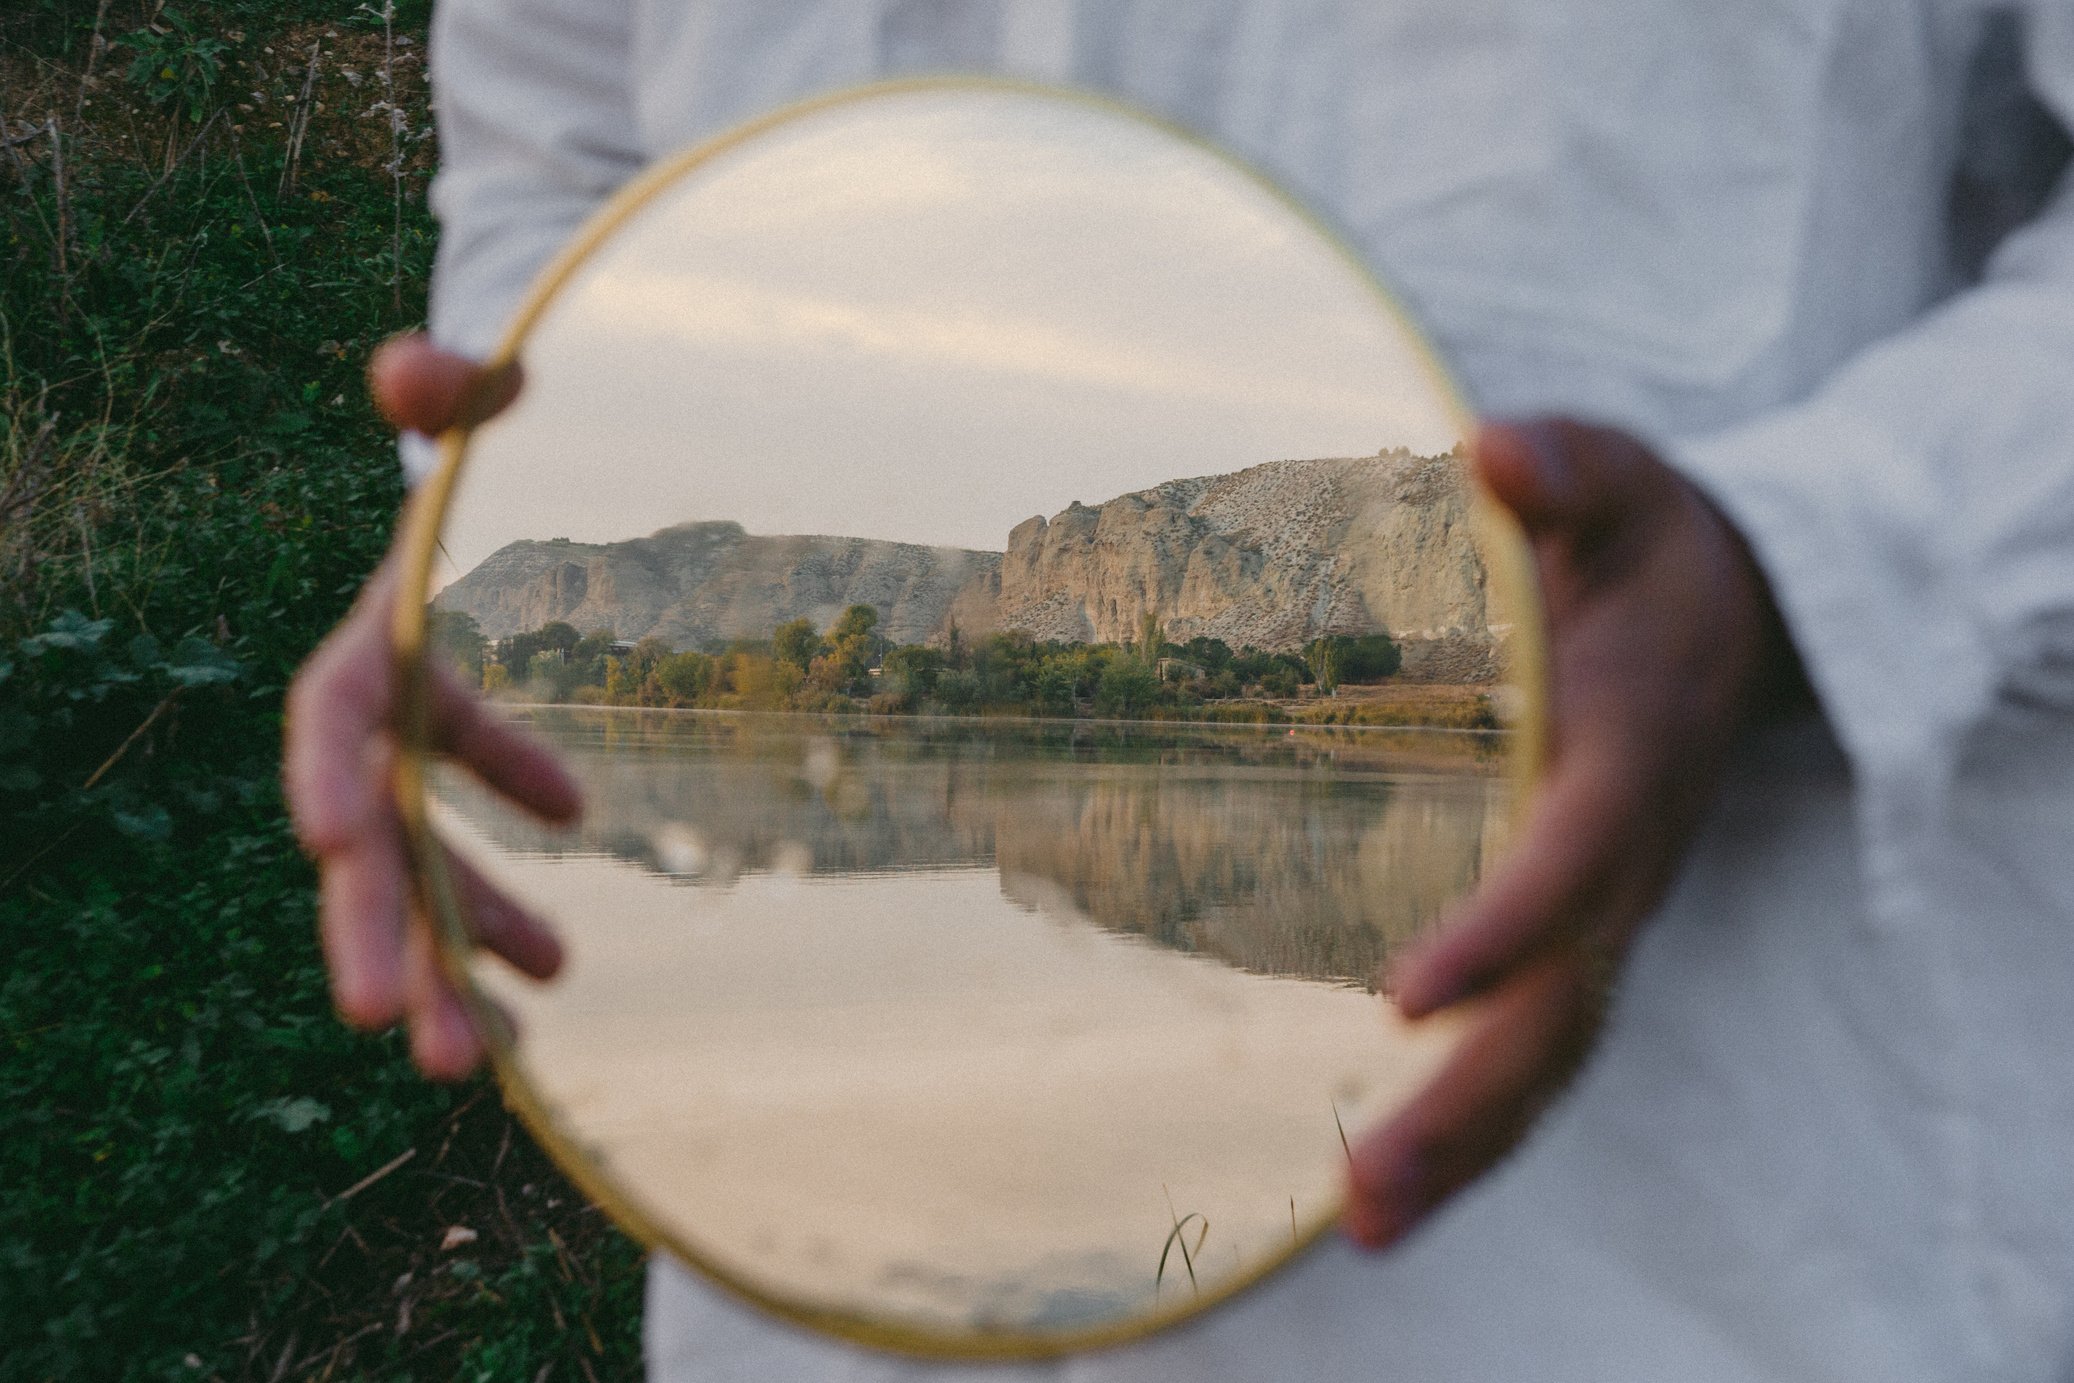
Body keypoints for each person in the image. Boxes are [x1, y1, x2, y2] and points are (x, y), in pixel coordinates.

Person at [284, 2, 2074, 1378]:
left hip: (1704, 1251)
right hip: (826, 1279)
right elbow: (563, 155)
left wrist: (1803, 562)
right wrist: (499, 534)